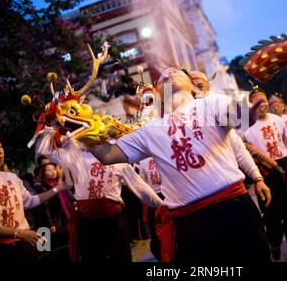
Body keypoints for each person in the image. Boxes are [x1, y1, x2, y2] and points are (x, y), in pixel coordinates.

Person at [90, 67, 272, 262]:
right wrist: (80, 131)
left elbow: (237, 116)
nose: (167, 73)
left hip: (234, 209)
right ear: (158, 93)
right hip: (189, 222)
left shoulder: (211, 104)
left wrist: (246, 114)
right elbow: (108, 156)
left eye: (175, 72)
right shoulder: (149, 130)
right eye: (161, 76)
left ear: (192, 87)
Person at [36, 129, 163, 262]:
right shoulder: (75, 157)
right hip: (88, 222)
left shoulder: (117, 159)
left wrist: (161, 205)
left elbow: (140, 186)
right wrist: (50, 130)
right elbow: (47, 151)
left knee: (122, 258)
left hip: (114, 219)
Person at [0, 135, 70, 262]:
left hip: (25, 244)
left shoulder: (12, 178)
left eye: (0, 146)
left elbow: (29, 201)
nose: (0, 151)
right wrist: (19, 233)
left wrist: (57, 189)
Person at [245, 90, 287, 262]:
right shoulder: (246, 129)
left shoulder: (279, 120)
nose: (262, 104)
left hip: (286, 167)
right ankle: (275, 243)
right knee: (272, 215)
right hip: (264, 173)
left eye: (264, 101)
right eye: (257, 101)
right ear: (251, 105)